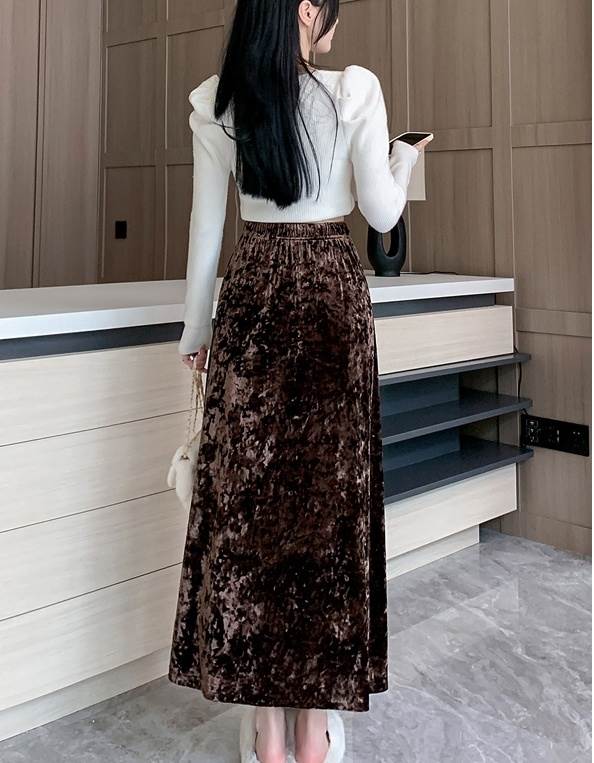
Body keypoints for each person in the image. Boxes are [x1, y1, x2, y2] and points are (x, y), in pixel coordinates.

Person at [168, 1, 432, 762]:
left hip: (253, 293)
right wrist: (402, 159)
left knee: (252, 515)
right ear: (310, 10)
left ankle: (267, 730)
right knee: (326, 515)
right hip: (329, 299)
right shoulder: (354, 90)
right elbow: (381, 211)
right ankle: (313, 729)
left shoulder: (217, 102)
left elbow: (205, 229)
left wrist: (196, 331)